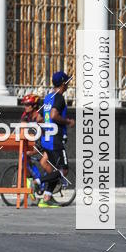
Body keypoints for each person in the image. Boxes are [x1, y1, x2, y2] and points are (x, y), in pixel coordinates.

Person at [38, 70, 75, 208]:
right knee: (63, 170)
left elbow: (39, 118)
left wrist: (44, 129)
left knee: (54, 170)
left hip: (46, 139)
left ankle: (47, 197)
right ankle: (37, 181)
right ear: (63, 84)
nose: (68, 86)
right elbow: (53, 115)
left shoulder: (48, 97)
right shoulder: (59, 97)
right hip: (55, 139)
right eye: (67, 83)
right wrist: (68, 122)